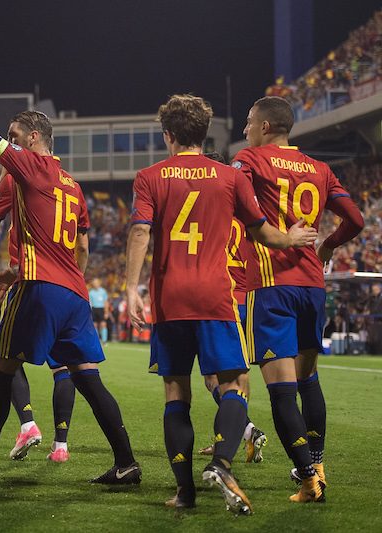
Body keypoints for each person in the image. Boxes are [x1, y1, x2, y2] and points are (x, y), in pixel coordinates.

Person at [126, 94, 318, 513]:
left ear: (168, 135)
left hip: (169, 297)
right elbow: (262, 232)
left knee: (176, 392)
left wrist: (130, 288)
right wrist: (291, 238)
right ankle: (222, 462)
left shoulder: (149, 176)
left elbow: (140, 232)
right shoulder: (230, 177)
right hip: (216, 296)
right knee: (234, 385)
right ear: (204, 132)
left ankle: (185, 493)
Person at [0, 78, 139, 485]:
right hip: (73, 293)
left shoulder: (31, 167)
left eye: (16, 135)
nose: (12, 142)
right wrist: (48, 275)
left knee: (1, 368)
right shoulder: (73, 186)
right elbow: (80, 246)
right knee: (87, 377)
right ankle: (127, 463)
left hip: (38, 287)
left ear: (34, 137)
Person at [233, 95, 364, 503]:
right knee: (309, 380)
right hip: (312, 287)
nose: (244, 130)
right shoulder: (321, 169)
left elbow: (227, 191)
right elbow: (356, 220)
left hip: (272, 286)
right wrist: (328, 245)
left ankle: (309, 482)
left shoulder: (251, 160)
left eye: (249, 122)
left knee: (282, 391)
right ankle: (317, 464)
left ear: (265, 127)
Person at [0, 170, 83, 463]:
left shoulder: (19, 177)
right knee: (63, 367)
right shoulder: (70, 184)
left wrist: (4, 170)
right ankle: (61, 445)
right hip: (65, 287)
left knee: (5, 357)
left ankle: (27, 424)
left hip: (29, 281)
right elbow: (83, 245)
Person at [197, 152, 266, 463]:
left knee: (214, 378)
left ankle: (245, 429)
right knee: (236, 377)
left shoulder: (208, 213)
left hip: (219, 301)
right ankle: (230, 435)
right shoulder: (244, 214)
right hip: (244, 300)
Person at [88, 278, 109, 343]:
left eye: (96, 283)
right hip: (94, 309)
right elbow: (90, 303)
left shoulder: (103, 291)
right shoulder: (91, 292)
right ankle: (97, 340)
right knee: (94, 325)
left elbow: (106, 302)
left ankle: (104, 341)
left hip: (101, 309)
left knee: (103, 324)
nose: (95, 284)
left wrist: (106, 312)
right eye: (94, 283)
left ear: (99, 283)